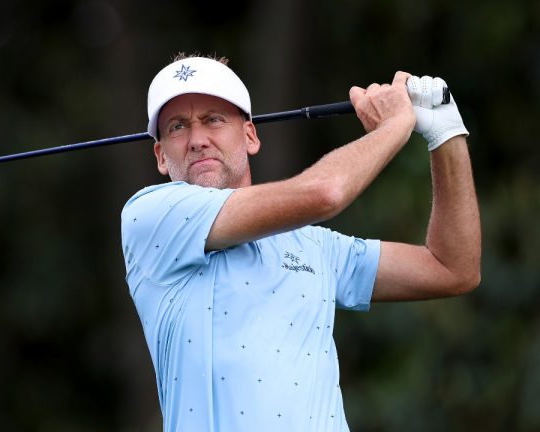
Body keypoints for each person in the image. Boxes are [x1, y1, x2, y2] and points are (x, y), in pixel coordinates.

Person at [120, 54, 480, 431]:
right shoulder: (150, 217)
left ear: (250, 135)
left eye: (213, 119)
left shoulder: (316, 247)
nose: (196, 140)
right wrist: (394, 125)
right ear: (161, 156)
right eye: (177, 127)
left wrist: (446, 133)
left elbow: (452, 268)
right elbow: (325, 193)